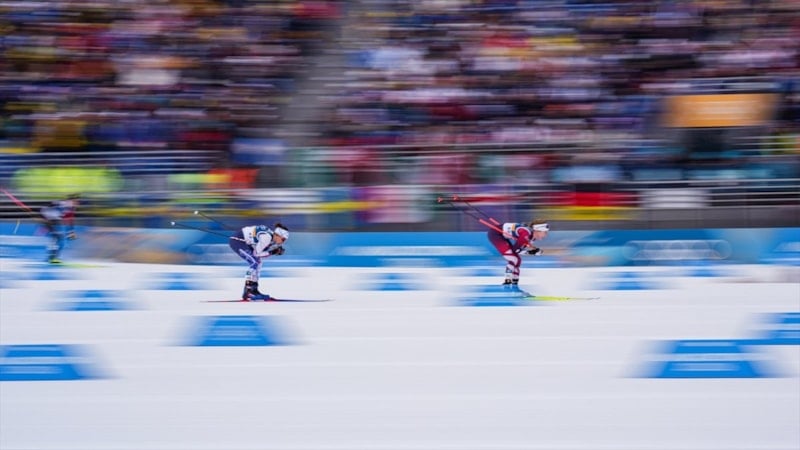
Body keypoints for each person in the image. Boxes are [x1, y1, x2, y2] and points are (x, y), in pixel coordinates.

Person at [229, 223, 289, 301]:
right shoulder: (267, 237)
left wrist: (272, 251)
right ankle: (249, 291)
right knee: (255, 262)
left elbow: (259, 251)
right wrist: (272, 252)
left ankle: (254, 290)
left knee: (258, 262)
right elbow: (257, 253)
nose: (283, 242)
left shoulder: (270, 237)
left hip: (242, 240)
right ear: (277, 235)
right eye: (283, 239)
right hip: (237, 241)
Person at [487, 219, 549, 290]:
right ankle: (507, 282)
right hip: (495, 234)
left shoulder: (532, 237)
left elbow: (521, 248)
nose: (546, 235)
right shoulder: (526, 234)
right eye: (545, 232)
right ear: (537, 230)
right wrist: (531, 252)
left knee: (518, 260)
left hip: (502, 235)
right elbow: (516, 250)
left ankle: (514, 282)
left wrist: (533, 251)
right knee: (513, 259)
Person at [39, 193, 80, 264]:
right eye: (76, 201)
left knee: (58, 239)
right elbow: (46, 208)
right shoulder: (63, 204)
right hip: (50, 220)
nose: (78, 203)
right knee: (58, 238)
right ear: (71, 200)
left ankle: (52, 257)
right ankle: (53, 257)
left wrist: (71, 231)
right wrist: (45, 219)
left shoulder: (71, 208)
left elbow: (70, 220)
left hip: (55, 220)